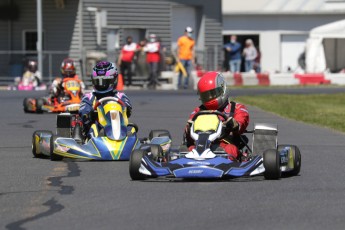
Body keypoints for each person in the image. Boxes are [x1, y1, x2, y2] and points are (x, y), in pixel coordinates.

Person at [183, 71, 249, 160]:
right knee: (185, 150)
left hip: (225, 144)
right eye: (206, 96)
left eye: (212, 94)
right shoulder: (198, 111)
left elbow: (242, 121)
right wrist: (188, 128)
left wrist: (235, 124)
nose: (209, 98)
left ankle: (221, 162)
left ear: (222, 89)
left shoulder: (236, 108)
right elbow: (189, 135)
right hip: (201, 146)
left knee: (230, 150)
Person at [79, 61, 132, 139]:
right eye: (98, 81)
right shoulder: (89, 96)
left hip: (119, 127)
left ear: (114, 80)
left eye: (105, 81)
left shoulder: (120, 96)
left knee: (132, 129)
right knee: (93, 128)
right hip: (98, 128)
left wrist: (124, 108)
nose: (102, 85)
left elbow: (128, 109)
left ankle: (125, 141)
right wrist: (89, 113)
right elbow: (83, 111)